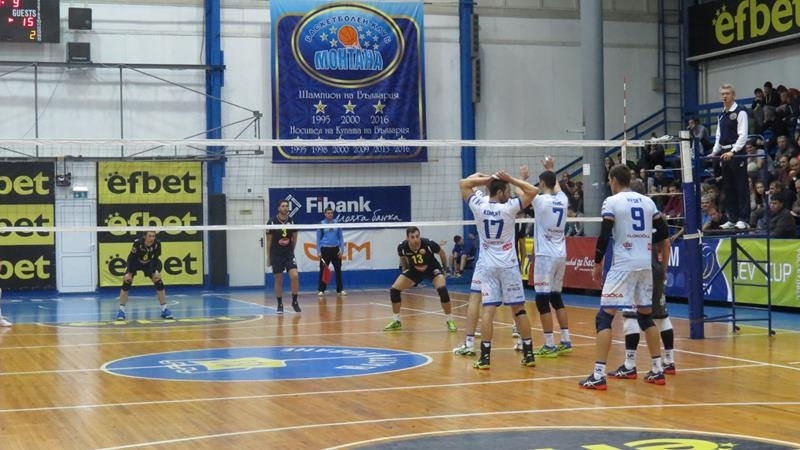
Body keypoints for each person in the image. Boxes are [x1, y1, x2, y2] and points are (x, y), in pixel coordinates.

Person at [579, 164, 668, 390]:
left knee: (604, 318)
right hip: (645, 264)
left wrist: (597, 262)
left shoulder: (612, 202)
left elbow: (604, 235)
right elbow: (663, 233)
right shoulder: (648, 202)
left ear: (614, 180)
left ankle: (598, 374)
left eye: (610, 181)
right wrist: (649, 248)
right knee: (646, 318)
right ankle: (657, 369)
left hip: (623, 266)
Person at [459, 168, 538, 369]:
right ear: (501, 191)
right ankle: (529, 354)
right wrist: (510, 178)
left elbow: (464, 183)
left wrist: (490, 178)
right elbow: (533, 191)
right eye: (507, 190)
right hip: (509, 266)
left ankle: (485, 358)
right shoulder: (509, 208)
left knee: (488, 311)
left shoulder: (479, 206)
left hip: (488, 267)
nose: (509, 194)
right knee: (519, 309)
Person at [608, 178, 676, 380]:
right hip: (654, 266)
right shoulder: (653, 211)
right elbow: (666, 243)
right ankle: (669, 360)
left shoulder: (623, 211)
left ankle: (630, 364)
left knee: (631, 315)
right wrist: (663, 269)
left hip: (635, 267)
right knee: (660, 314)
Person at [530, 156, 573, 358]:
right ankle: (566, 340)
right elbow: (557, 187)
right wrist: (551, 169)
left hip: (545, 256)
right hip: (560, 254)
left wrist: (520, 178)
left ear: (541, 183)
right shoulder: (562, 200)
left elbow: (522, 192)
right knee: (556, 297)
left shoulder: (539, 201)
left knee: (542, 299)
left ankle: (549, 344)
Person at [384, 226, 456, 332]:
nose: (416, 239)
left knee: (442, 290)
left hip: (432, 269)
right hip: (414, 270)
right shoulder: (402, 247)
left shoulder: (428, 244)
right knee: (394, 290)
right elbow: (402, 258)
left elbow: (442, 253)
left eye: (417, 236)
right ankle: (396, 321)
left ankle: (450, 320)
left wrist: (444, 269)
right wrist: (405, 271)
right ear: (407, 238)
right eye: (412, 237)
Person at [711, 83, 750, 230]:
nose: (724, 96)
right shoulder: (721, 114)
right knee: (728, 187)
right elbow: (718, 135)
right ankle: (732, 218)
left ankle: (744, 219)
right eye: (722, 94)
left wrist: (733, 151)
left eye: (727, 93)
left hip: (736, 153)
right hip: (724, 153)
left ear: (733, 95)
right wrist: (715, 151)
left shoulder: (740, 112)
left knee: (741, 186)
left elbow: (743, 135)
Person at [115, 230, 173, 321]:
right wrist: (129, 272)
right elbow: (131, 258)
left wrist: (155, 271)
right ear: (144, 237)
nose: (152, 238)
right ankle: (121, 311)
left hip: (149, 263)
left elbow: (156, 258)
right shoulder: (137, 243)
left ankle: (164, 309)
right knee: (127, 282)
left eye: (153, 236)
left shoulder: (157, 244)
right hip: (135, 262)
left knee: (159, 281)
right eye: (150, 236)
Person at [267, 199, 301, 314]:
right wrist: (269, 257)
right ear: (278, 208)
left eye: (287, 206)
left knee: (294, 276)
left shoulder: (292, 222)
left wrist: (291, 252)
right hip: (276, 254)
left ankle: (294, 301)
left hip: (288, 254)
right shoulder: (272, 222)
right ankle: (280, 304)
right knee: (279, 280)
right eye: (283, 206)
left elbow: (295, 238)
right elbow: (269, 240)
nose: (285, 208)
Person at [316, 206, 346, 297]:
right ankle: (321, 290)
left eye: (331, 213)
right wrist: (318, 251)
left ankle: (340, 290)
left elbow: (341, 237)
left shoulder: (337, 223)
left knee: (338, 269)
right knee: (323, 270)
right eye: (328, 213)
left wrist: (342, 249)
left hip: (335, 249)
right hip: (325, 250)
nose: (330, 214)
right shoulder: (321, 224)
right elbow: (318, 239)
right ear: (325, 214)